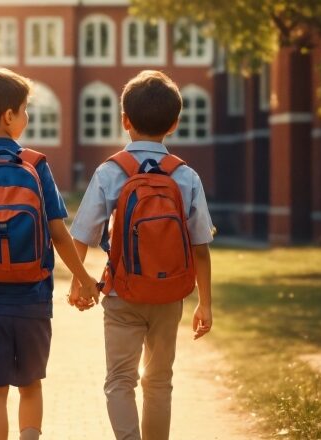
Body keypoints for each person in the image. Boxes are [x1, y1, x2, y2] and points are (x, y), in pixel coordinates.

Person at [0, 67, 99, 440]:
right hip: (32, 297)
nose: (26, 117)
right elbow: (59, 233)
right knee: (30, 384)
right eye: (25, 110)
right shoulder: (36, 164)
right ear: (9, 116)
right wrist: (85, 277)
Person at [69, 70, 215, 440]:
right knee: (159, 381)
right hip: (169, 297)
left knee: (120, 380)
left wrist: (80, 282)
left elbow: (83, 234)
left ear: (125, 120)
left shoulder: (109, 172)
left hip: (122, 293)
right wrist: (205, 303)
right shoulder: (186, 176)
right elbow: (200, 247)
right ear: (175, 123)